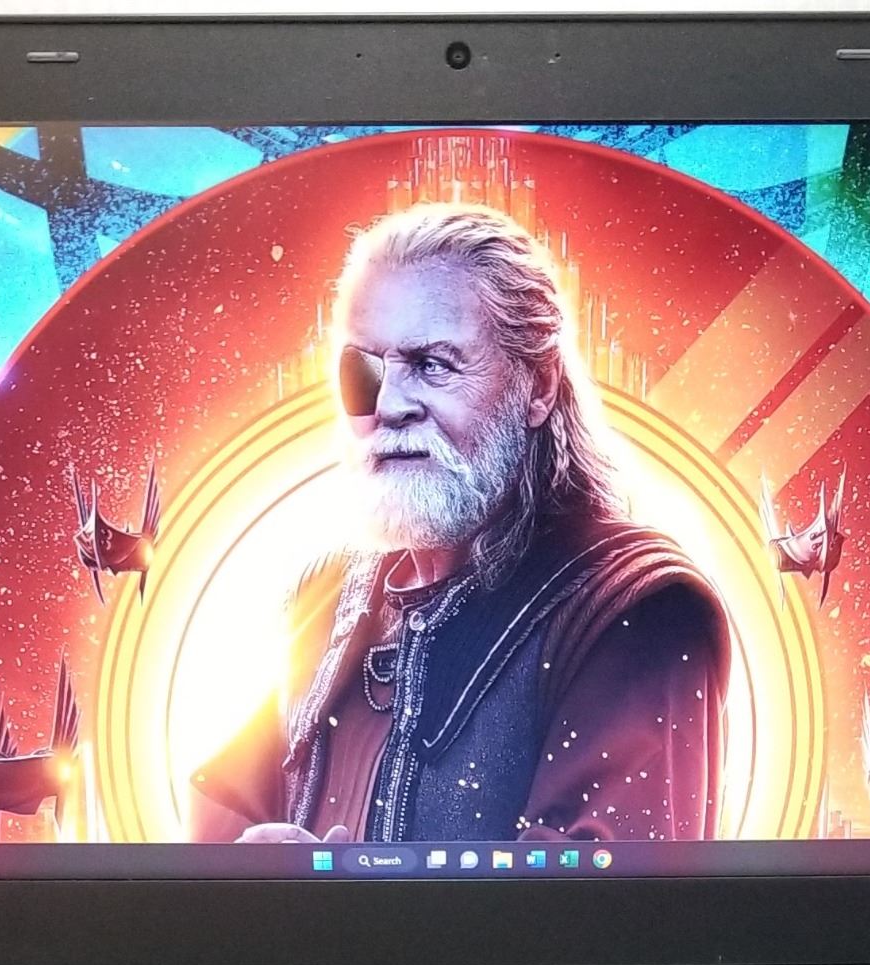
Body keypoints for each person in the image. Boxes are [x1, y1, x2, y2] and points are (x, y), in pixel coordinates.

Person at [188, 201, 730, 846]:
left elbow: (608, 902)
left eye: (433, 364)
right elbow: (219, 817)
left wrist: (340, 900)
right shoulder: (326, 593)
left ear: (538, 388)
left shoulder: (638, 609)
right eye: (364, 369)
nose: (387, 405)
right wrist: (253, 870)